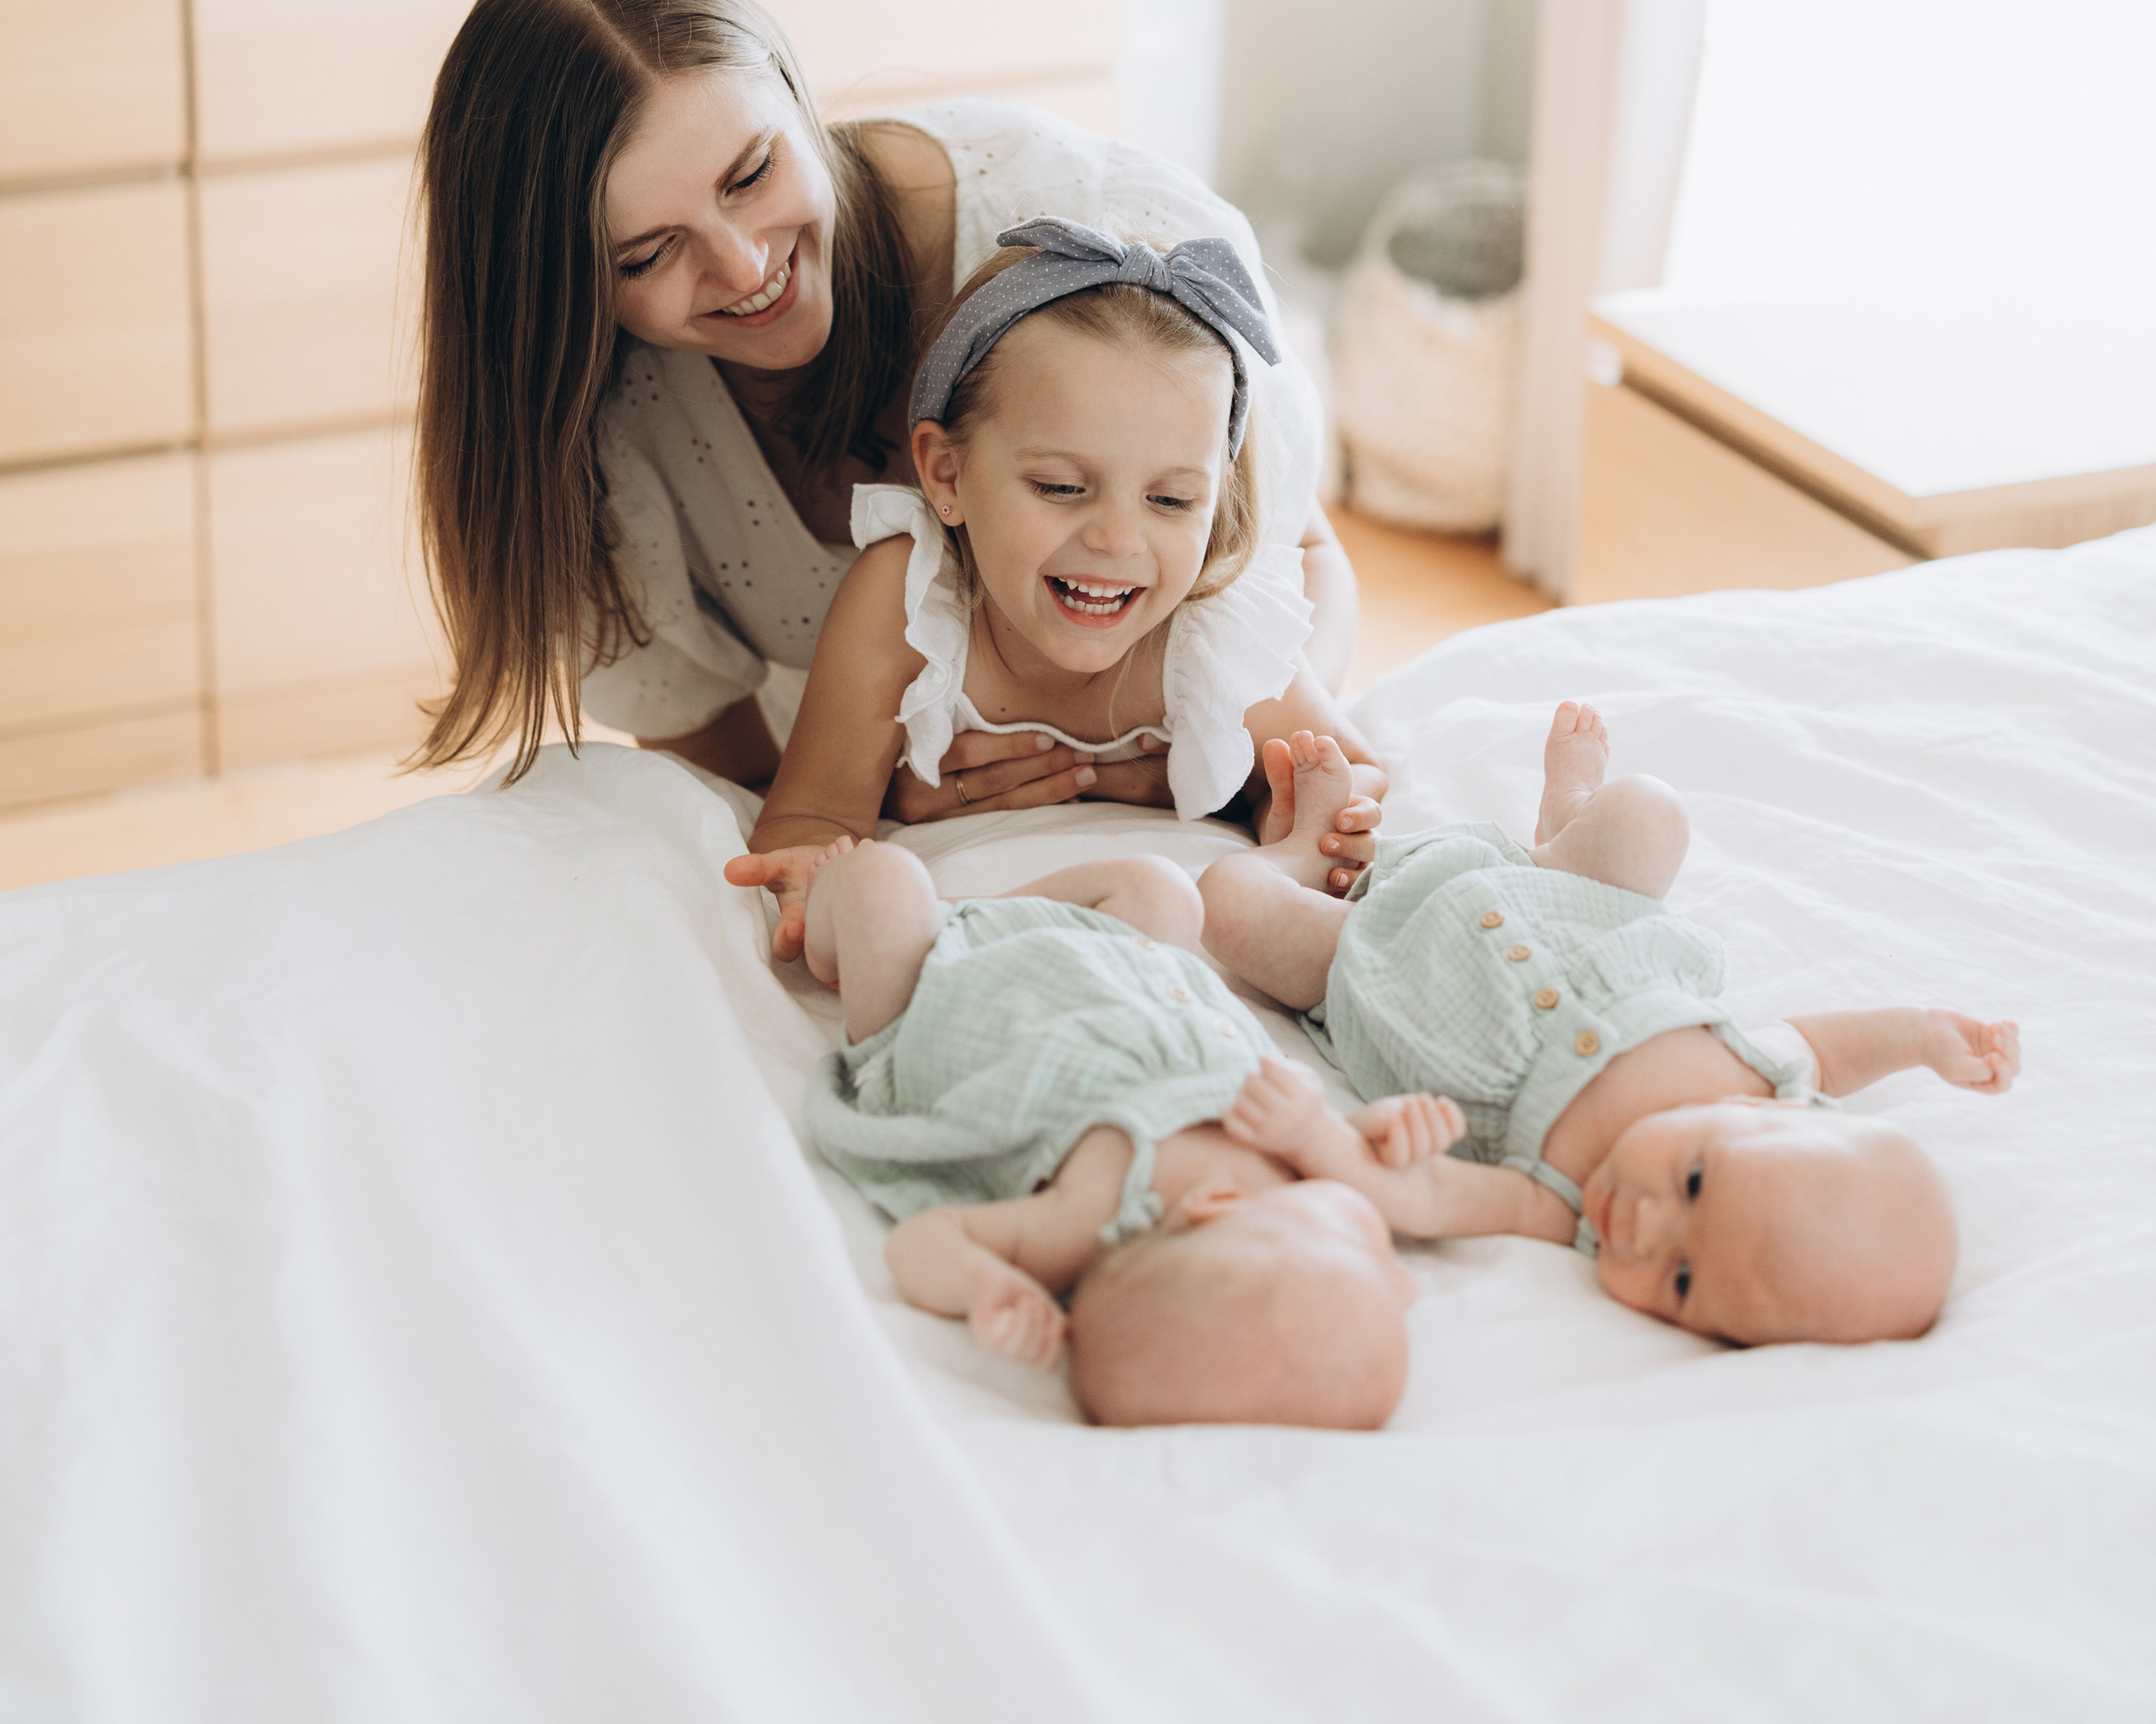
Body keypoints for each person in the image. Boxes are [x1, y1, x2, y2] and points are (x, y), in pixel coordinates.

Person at [410, 0, 1358, 821]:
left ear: (792, 94)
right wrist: (872, 798)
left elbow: (1300, 559)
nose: (745, 268)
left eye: (750, 174)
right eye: (648, 253)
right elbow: (732, 768)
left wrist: (1226, 751)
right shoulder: (600, 438)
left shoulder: (1093, 235)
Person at [1195, 718, 2021, 1347]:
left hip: (1379, 959)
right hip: (1557, 890)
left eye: (1683, 1279)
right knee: (1649, 814)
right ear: (1781, 1114)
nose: (1642, 1226)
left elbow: (1431, 1197)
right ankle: (1568, 818)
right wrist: (1921, 1036)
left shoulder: (1560, 1201)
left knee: (1226, 905)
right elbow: (1833, 1046)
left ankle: (1305, 852)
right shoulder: (1759, 1073)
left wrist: (1316, 1137)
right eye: (1696, 1185)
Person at [737, 219, 1386, 953]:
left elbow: (1346, 767)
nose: (1117, 540)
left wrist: (1299, 817)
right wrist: (809, 878)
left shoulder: (1208, 632)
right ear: (947, 475)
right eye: (1061, 486)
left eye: (1171, 501)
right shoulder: (906, 603)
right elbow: (811, 815)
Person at [730, 832, 1428, 1429]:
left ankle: (847, 928)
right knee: (1158, 888)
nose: (1408, 1284)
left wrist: (980, 1284)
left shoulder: (1087, 1221)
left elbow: (926, 1239)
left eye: (1370, 1265)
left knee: (881, 882)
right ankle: (958, 915)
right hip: (1115, 966)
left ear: (1215, 1209)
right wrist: (1381, 1126)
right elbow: (1336, 1135)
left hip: (936, 1007)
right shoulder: (1299, 1162)